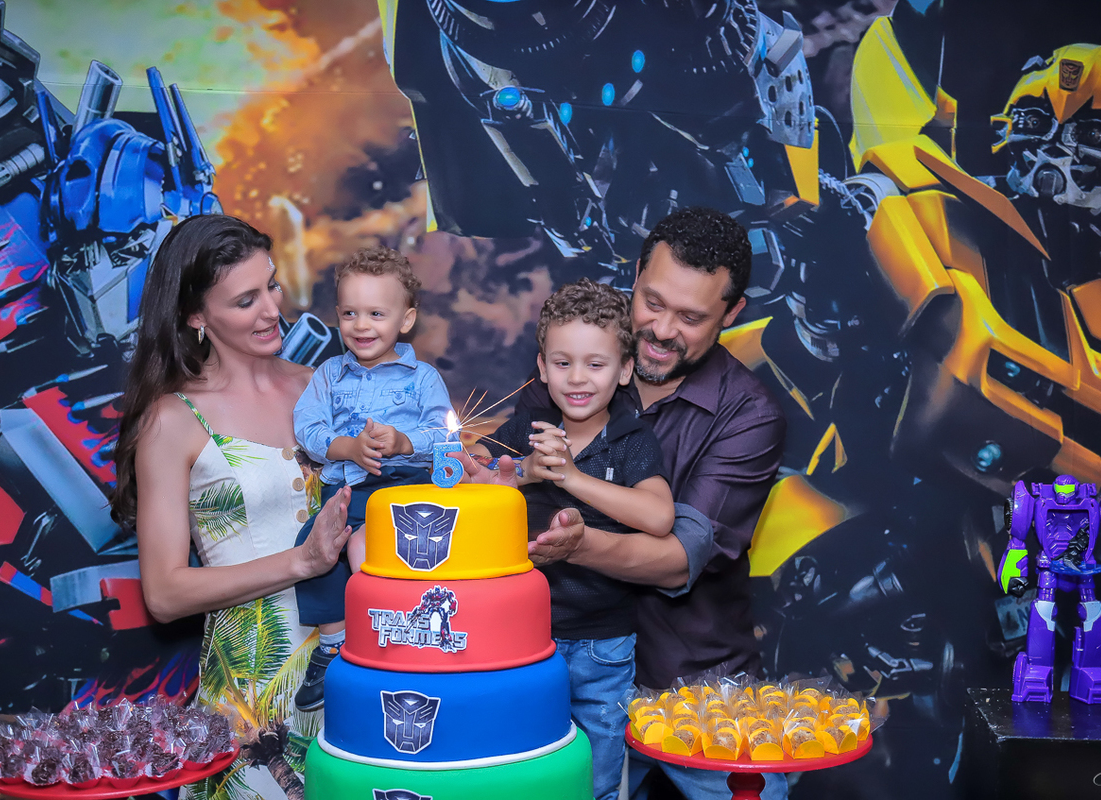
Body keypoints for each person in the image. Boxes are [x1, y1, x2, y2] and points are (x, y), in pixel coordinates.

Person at [471, 206, 788, 800]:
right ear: (636, 275)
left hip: (690, 684)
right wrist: (484, 478)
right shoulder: (572, 362)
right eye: (652, 302)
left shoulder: (749, 416)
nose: (662, 330)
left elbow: (678, 558)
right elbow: (501, 467)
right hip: (557, 666)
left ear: (732, 313)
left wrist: (575, 543)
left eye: (691, 317)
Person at [111, 214, 354, 800]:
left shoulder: (325, 387)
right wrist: (300, 562)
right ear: (196, 316)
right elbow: (164, 593)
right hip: (254, 703)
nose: (272, 310)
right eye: (246, 301)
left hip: (358, 671)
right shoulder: (172, 420)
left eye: (271, 285)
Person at [472, 278, 676, 800]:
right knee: (524, 768)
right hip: (521, 636)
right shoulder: (528, 427)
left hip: (602, 644)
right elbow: (472, 478)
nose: (578, 378)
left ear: (625, 369)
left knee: (597, 777)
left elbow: (659, 516)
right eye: (563, 363)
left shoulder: (631, 439)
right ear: (542, 367)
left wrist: (571, 476)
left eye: (596, 364)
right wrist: (522, 472)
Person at [290, 245, 453, 711]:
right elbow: (308, 426)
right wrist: (347, 447)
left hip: (402, 493)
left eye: (376, 314)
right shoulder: (328, 375)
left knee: (368, 547)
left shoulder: (422, 378)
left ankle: (393, 633)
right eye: (350, 313)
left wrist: (402, 441)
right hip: (346, 491)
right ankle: (332, 644)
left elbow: (445, 434)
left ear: (406, 319)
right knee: (315, 544)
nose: (361, 325)